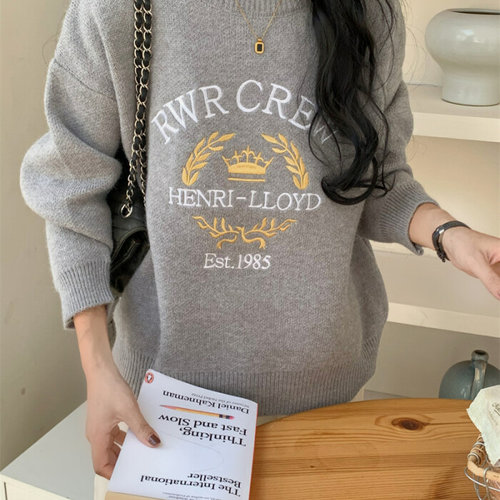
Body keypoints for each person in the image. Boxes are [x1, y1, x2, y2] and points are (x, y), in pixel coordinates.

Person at [20, 0, 500, 496]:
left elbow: (376, 180)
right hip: (164, 410)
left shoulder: (368, 13)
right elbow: (70, 187)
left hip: (324, 399)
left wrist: (450, 234)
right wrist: (97, 369)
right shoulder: (119, 10)